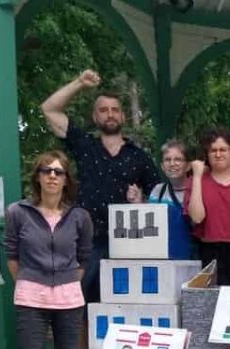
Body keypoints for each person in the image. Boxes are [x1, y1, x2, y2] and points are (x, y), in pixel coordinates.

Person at [41, 70, 160, 303]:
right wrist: (79, 83)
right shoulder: (85, 145)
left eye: (115, 110)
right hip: (87, 241)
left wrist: (141, 202)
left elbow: (159, 201)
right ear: (95, 117)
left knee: (122, 305)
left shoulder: (139, 157)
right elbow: (49, 109)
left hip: (128, 244)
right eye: (103, 110)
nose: (110, 114)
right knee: (80, 304)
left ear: (123, 116)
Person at [4, 151, 93, 349]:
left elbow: (83, 257)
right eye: (46, 171)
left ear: (66, 180)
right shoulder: (17, 212)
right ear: (38, 176)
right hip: (31, 298)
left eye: (58, 172)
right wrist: (28, 282)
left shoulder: (79, 216)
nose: (52, 176)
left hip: (69, 300)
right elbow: (12, 256)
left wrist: (67, 281)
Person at [188, 127, 230, 286]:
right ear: (207, 154)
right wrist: (197, 176)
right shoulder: (197, 182)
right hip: (208, 253)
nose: (218, 154)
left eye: (223, 149)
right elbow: (197, 217)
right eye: (213, 150)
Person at [147, 139, 195, 259]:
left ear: (188, 166)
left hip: (192, 258)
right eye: (168, 160)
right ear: (162, 166)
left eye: (178, 159)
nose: (172, 164)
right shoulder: (158, 191)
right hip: (162, 258)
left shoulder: (197, 190)